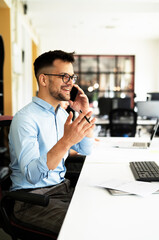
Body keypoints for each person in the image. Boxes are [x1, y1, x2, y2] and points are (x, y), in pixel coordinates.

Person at [9, 50, 95, 235]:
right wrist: (65, 142)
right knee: (85, 229)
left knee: (101, 213)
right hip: (31, 199)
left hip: (61, 189)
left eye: (72, 76)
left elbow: (86, 149)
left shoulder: (62, 114)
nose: (71, 82)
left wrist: (83, 112)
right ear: (44, 80)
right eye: (64, 76)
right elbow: (32, 175)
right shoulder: (25, 119)